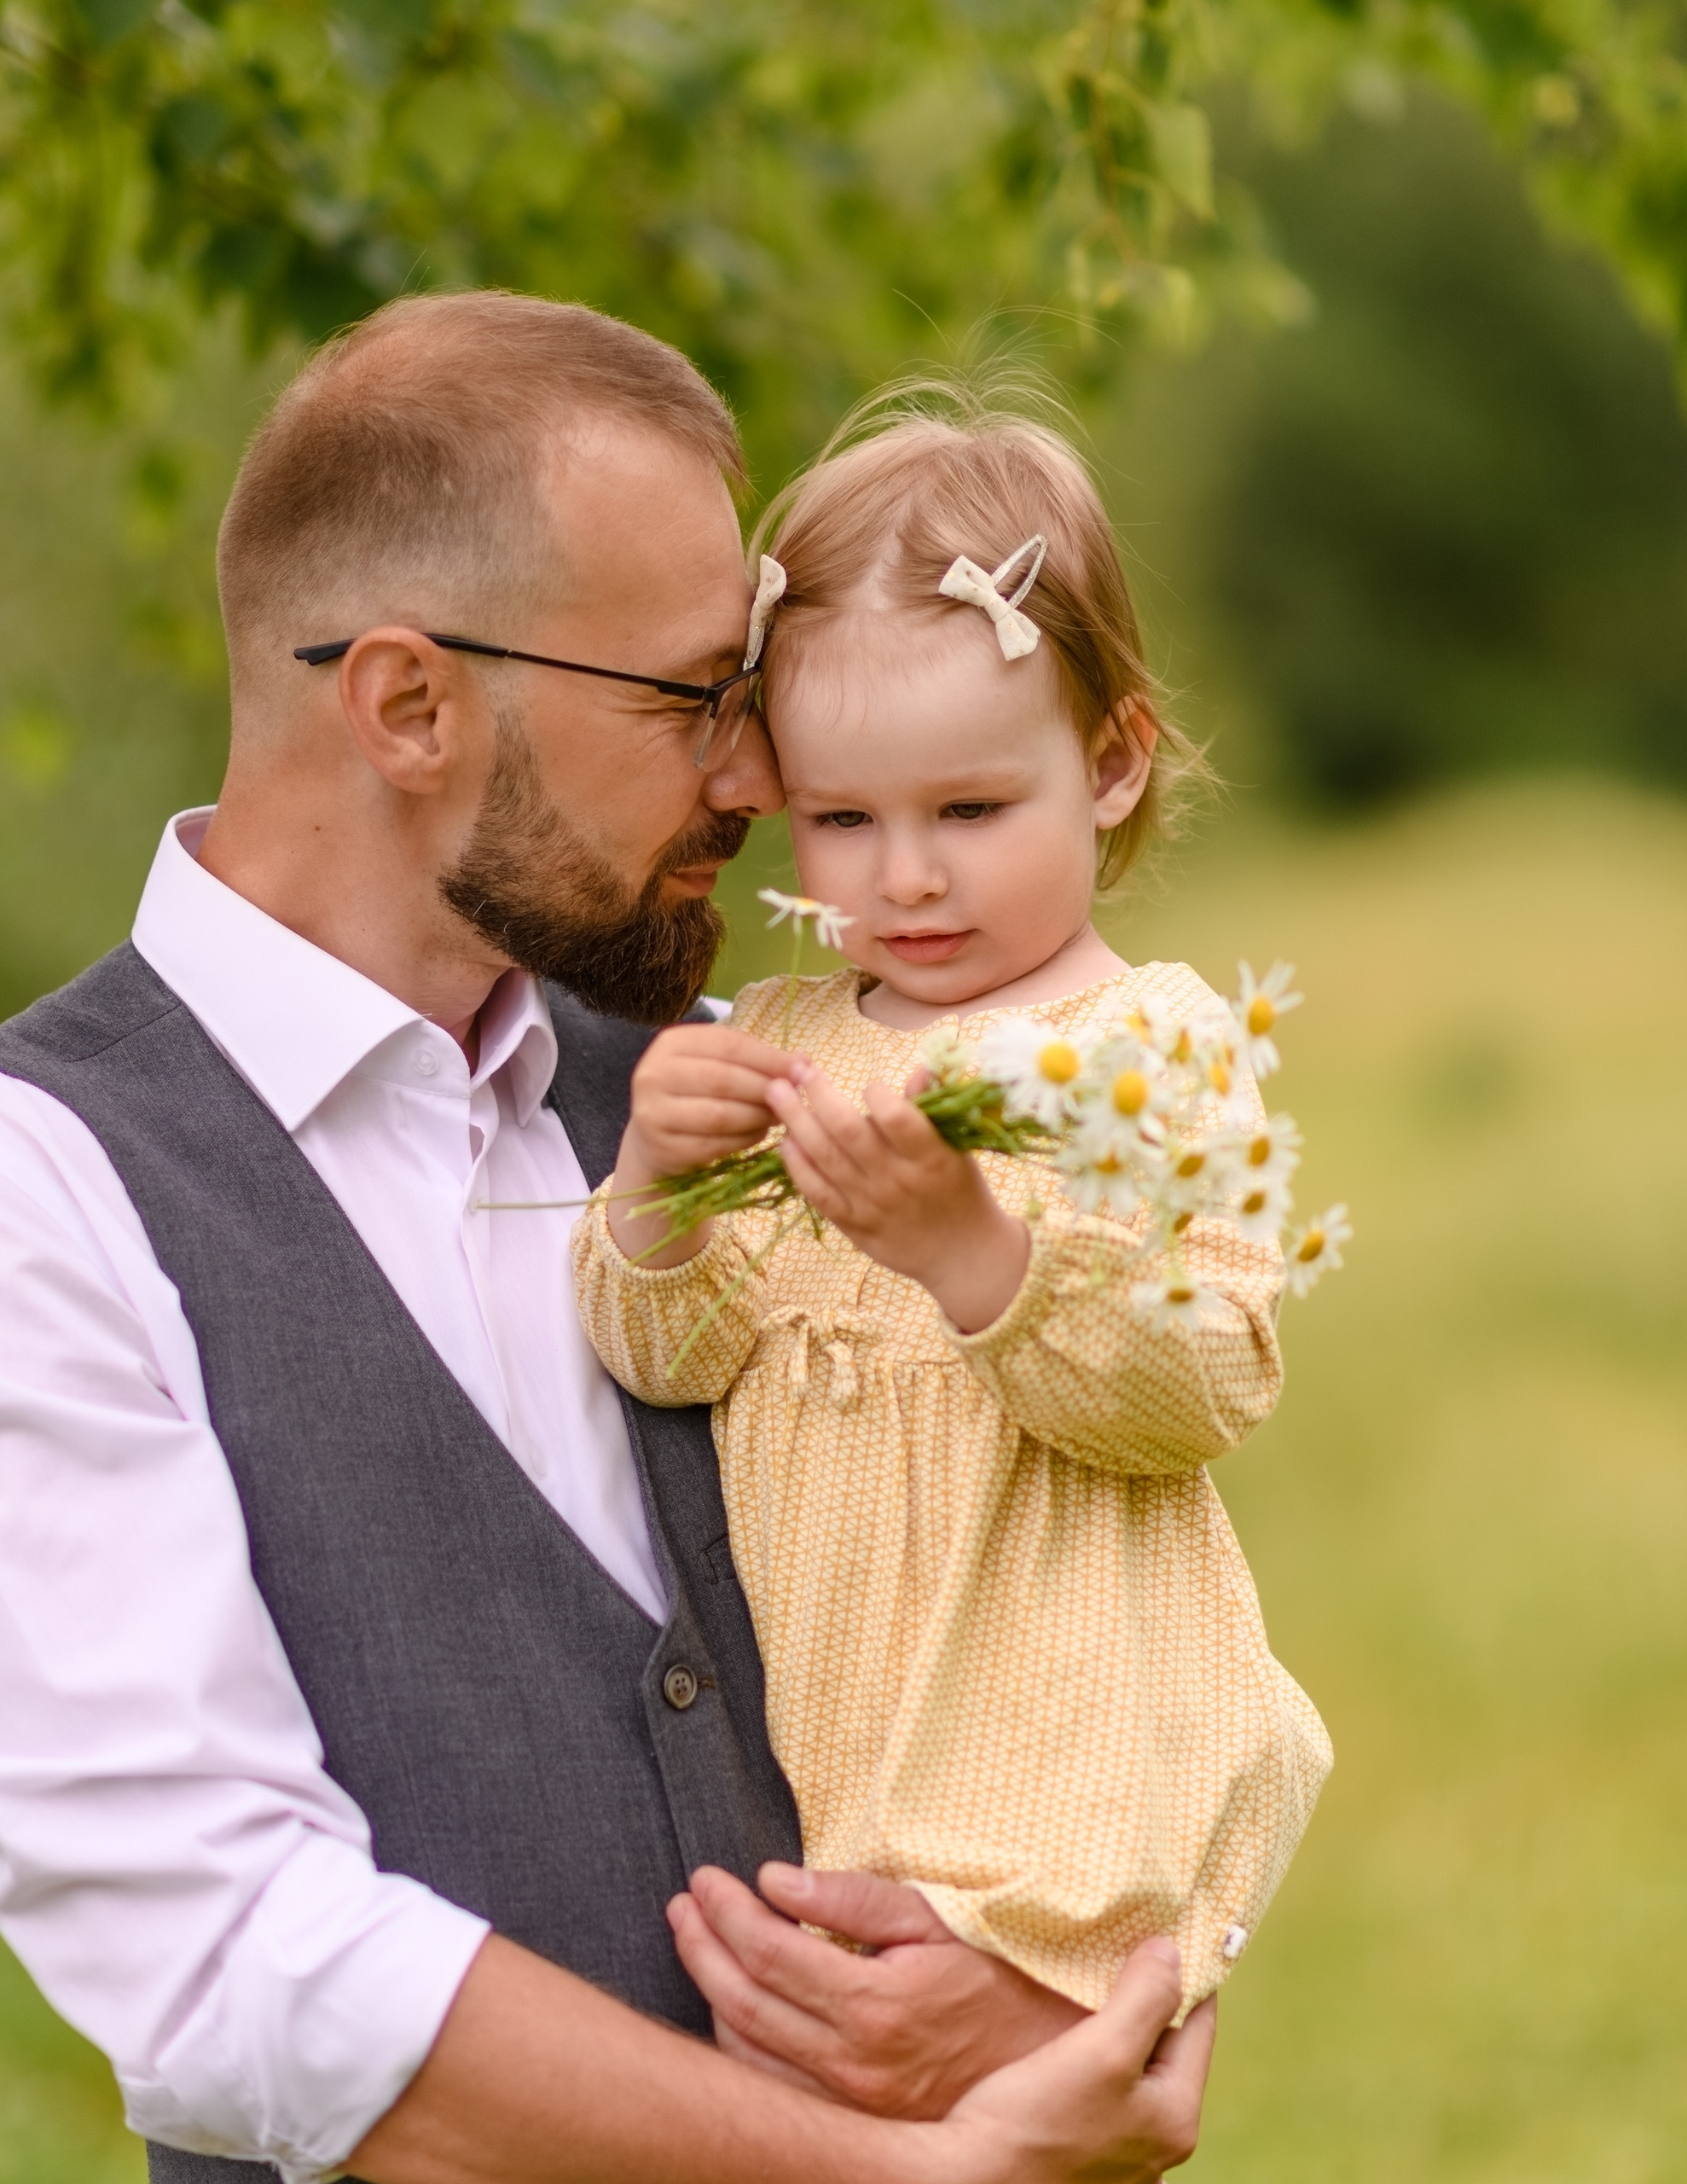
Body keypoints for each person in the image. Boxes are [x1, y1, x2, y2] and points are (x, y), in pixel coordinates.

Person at [0, 293, 1214, 2184]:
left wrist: (1107, 1987)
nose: (753, 781)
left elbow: (1096, 1570)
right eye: (695, 696)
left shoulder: (740, 1086)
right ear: (405, 703)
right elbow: (231, 1957)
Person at [575, 395, 1333, 2021]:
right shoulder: (776, 1042)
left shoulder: (1147, 1050)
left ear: (1114, 762)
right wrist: (655, 1198)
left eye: (968, 813)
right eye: (843, 822)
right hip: (833, 1767)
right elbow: (674, 1362)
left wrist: (973, 1257)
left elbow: (1203, 1385)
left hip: (1063, 1793)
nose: (903, 879)